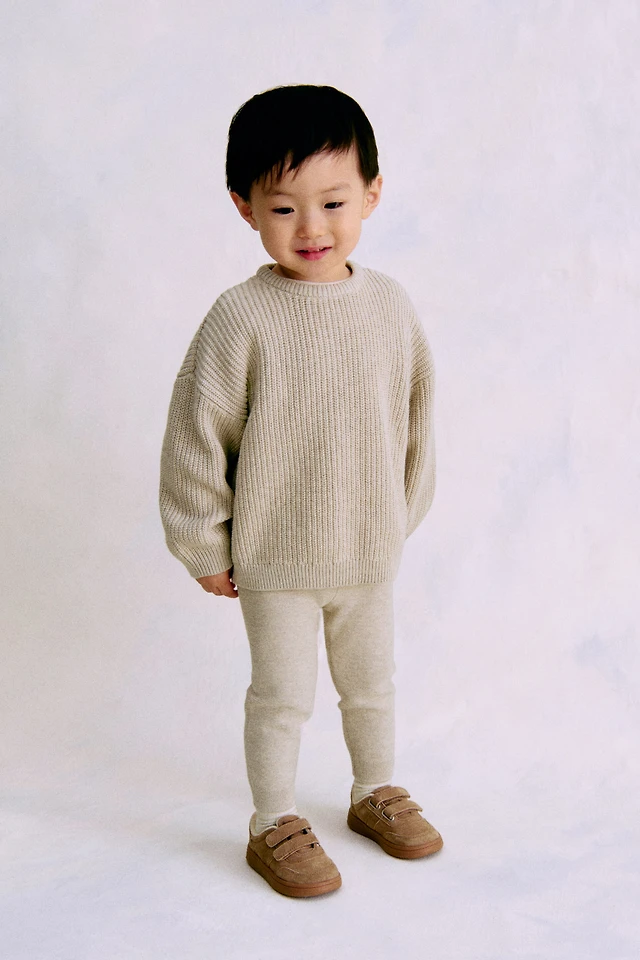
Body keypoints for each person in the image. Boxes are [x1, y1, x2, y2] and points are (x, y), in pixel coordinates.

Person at [158, 84, 442, 898]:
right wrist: (204, 545)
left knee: (372, 686)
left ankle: (373, 790)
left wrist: (398, 517)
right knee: (282, 698)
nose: (311, 228)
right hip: (275, 558)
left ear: (373, 195)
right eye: (283, 208)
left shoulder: (389, 306)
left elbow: (417, 421)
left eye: (333, 203)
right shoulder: (241, 317)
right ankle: (272, 821)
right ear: (245, 207)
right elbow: (195, 436)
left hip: (367, 553)